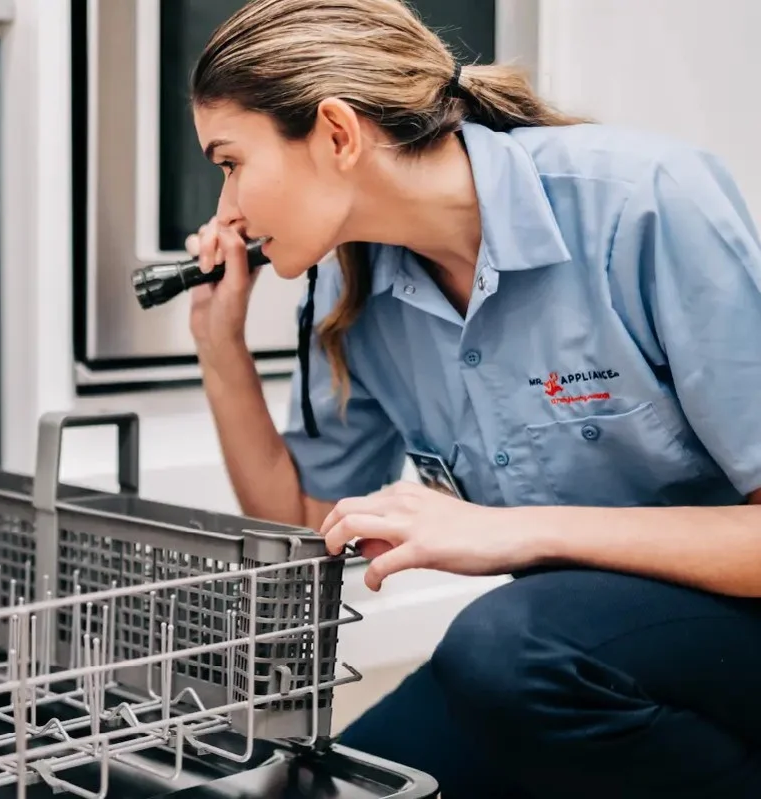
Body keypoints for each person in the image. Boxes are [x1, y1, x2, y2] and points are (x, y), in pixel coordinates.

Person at [182, 1, 761, 797]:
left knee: (503, 649)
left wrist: (504, 533)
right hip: (584, 651)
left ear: (338, 134)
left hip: (729, 630)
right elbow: (302, 521)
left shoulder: (644, 202)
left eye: (229, 163)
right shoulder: (348, 292)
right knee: (324, 789)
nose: (226, 214)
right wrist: (221, 349)